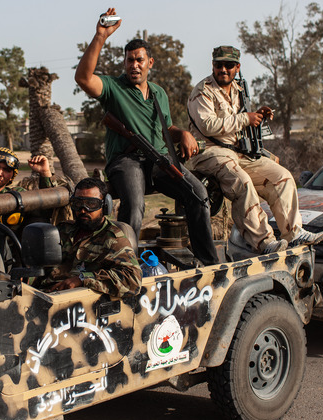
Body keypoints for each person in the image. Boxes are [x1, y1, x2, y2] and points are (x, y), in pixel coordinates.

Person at [74, 8, 218, 266]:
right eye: (130, 60)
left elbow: (167, 129)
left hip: (160, 160)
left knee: (198, 194)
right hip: (126, 161)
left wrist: (183, 134)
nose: (134, 65)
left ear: (150, 63)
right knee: (135, 203)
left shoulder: (159, 94)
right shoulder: (114, 88)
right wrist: (100, 36)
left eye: (139, 60)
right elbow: (83, 78)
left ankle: (207, 263)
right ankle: (125, 266)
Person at [186, 45, 323, 254]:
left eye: (229, 65)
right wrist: (246, 119)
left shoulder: (238, 90)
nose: (223, 70)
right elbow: (208, 125)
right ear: (213, 66)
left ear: (237, 67)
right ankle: (263, 241)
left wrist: (256, 116)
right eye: (219, 65)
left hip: (238, 152)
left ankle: (294, 233)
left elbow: (240, 121)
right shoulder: (203, 90)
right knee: (241, 182)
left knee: (283, 177)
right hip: (210, 152)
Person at [36, 178, 141, 297]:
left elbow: (132, 280)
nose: (83, 210)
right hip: (45, 295)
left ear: (105, 206)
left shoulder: (113, 239)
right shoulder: (63, 230)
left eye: (91, 204)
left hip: (78, 302)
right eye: (78, 203)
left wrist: (82, 279)